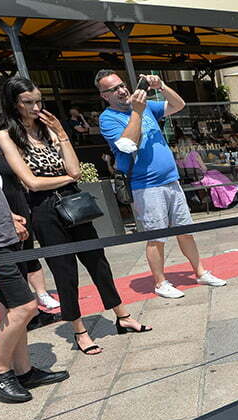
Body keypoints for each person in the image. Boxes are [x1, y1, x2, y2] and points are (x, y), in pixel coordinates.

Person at [0, 77, 151, 356]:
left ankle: (122, 315)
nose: (35, 107)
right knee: (64, 270)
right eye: (28, 102)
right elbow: (31, 183)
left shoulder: (49, 129)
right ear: (14, 103)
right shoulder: (6, 135)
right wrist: (63, 178)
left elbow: (76, 171)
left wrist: (62, 135)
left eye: (38, 101)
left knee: (98, 261)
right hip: (43, 209)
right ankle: (78, 329)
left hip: (73, 201)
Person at [0, 75, 68, 402]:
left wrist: (10, 217)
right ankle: (0, 370)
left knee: (13, 306)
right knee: (24, 306)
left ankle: (23, 371)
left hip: (3, 234)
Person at [96, 70, 227, 299]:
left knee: (185, 230)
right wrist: (136, 112)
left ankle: (200, 271)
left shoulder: (146, 106)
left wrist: (161, 87)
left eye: (122, 85)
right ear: (104, 96)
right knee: (156, 236)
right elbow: (127, 144)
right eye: (113, 89)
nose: (122, 90)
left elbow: (179, 105)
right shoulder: (108, 119)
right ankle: (160, 282)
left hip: (170, 179)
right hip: (146, 185)